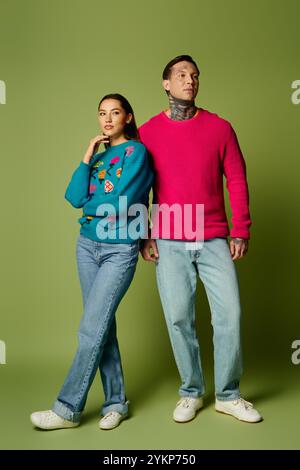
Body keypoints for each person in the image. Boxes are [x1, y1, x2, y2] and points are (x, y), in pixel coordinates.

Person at [139, 55, 262, 423]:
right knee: (179, 317)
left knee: (230, 314)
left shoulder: (220, 128)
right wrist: (144, 233)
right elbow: (137, 187)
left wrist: (240, 228)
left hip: (213, 238)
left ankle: (228, 394)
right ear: (166, 83)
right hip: (169, 237)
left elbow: (236, 180)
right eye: (181, 75)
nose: (189, 80)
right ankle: (191, 391)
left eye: (194, 75)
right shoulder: (147, 132)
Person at [30, 93, 153, 431]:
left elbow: (122, 201)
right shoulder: (99, 158)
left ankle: (67, 409)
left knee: (90, 329)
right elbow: (74, 197)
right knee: (102, 328)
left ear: (128, 117)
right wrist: (87, 156)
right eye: (102, 113)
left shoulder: (137, 153)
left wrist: (92, 204)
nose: (107, 119)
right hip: (86, 246)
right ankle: (116, 402)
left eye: (115, 112)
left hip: (118, 249)